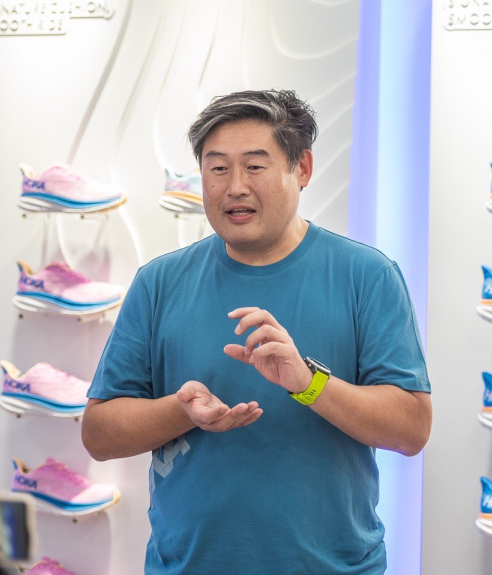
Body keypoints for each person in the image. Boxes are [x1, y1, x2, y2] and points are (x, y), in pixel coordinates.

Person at [81, 89, 432, 574]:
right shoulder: (158, 282)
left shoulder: (367, 276)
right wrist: (179, 411)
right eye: (217, 168)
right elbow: (99, 435)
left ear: (302, 168)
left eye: (255, 166)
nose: (235, 187)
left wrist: (308, 383)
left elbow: (411, 429)